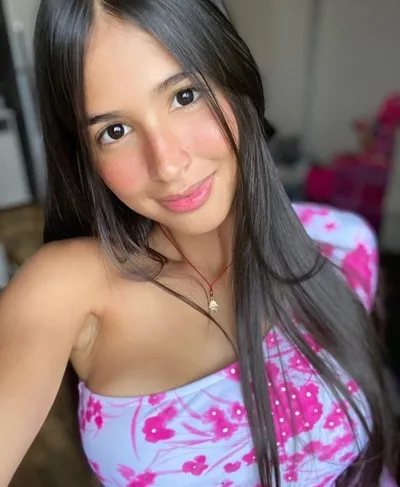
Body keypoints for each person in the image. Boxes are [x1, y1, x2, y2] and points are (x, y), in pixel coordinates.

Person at [0, 0, 397, 485]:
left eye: (185, 96)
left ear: (234, 76)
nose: (168, 164)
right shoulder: (67, 288)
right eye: (115, 131)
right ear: (84, 153)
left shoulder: (340, 246)